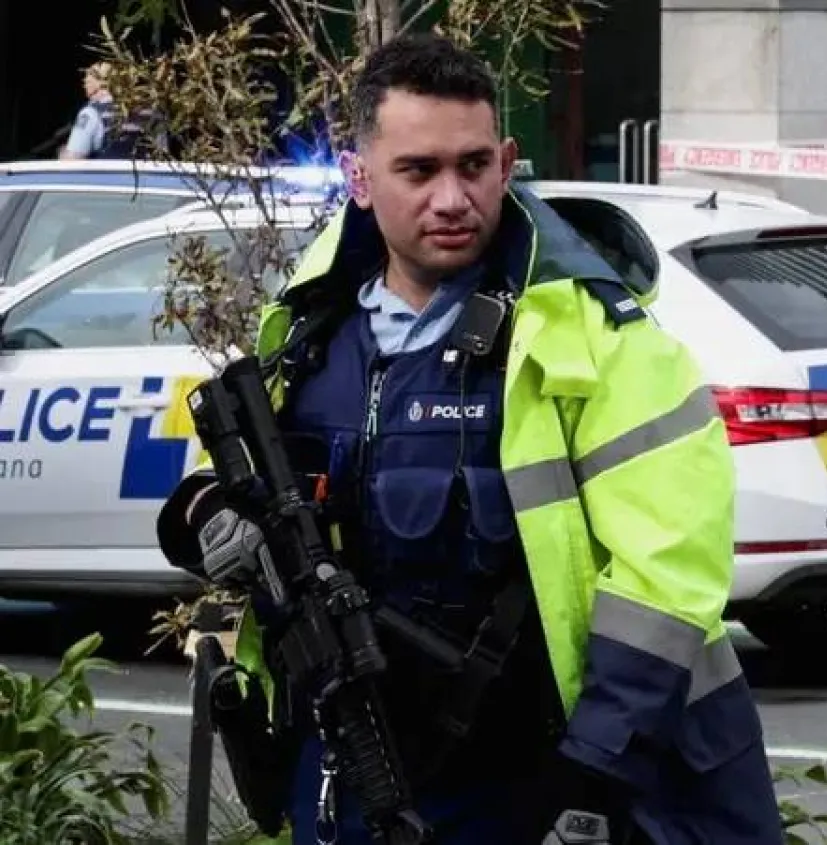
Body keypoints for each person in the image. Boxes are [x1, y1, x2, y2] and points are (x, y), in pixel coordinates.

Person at [155, 33, 782, 845]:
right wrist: (207, 516)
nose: (452, 198)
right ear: (358, 177)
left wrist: (588, 777)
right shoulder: (308, 337)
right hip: (350, 759)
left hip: (546, 775)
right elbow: (230, 486)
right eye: (418, 171)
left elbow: (667, 579)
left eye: (474, 165)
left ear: (507, 159)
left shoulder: (595, 339)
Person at [59, 62, 146, 160]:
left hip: (107, 174)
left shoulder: (90, 114)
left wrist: (62, 154)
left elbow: (73, 159)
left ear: (102, 82)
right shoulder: (151, 112)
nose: (84, 81)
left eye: (89, 76)